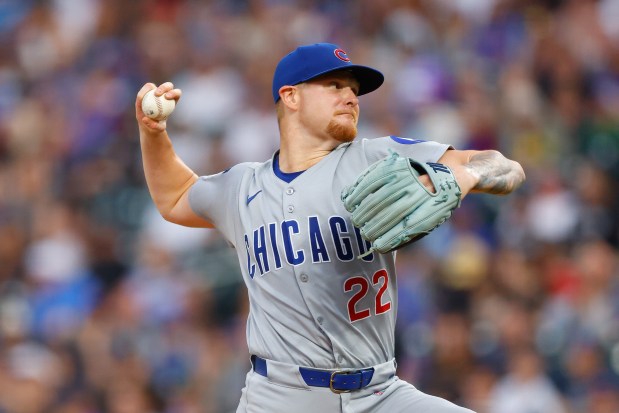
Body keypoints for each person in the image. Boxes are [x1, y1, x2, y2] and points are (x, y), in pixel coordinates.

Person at [135, 42, 525, 413]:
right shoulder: (243, 188)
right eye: (335, 85)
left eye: (354, 90)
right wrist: (154, 135)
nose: (351, 97)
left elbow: (505, 166)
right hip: (279, 397)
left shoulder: (378, 156)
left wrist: (465, 175)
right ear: (291, 96)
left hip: (379, 393)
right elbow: (175, 196)